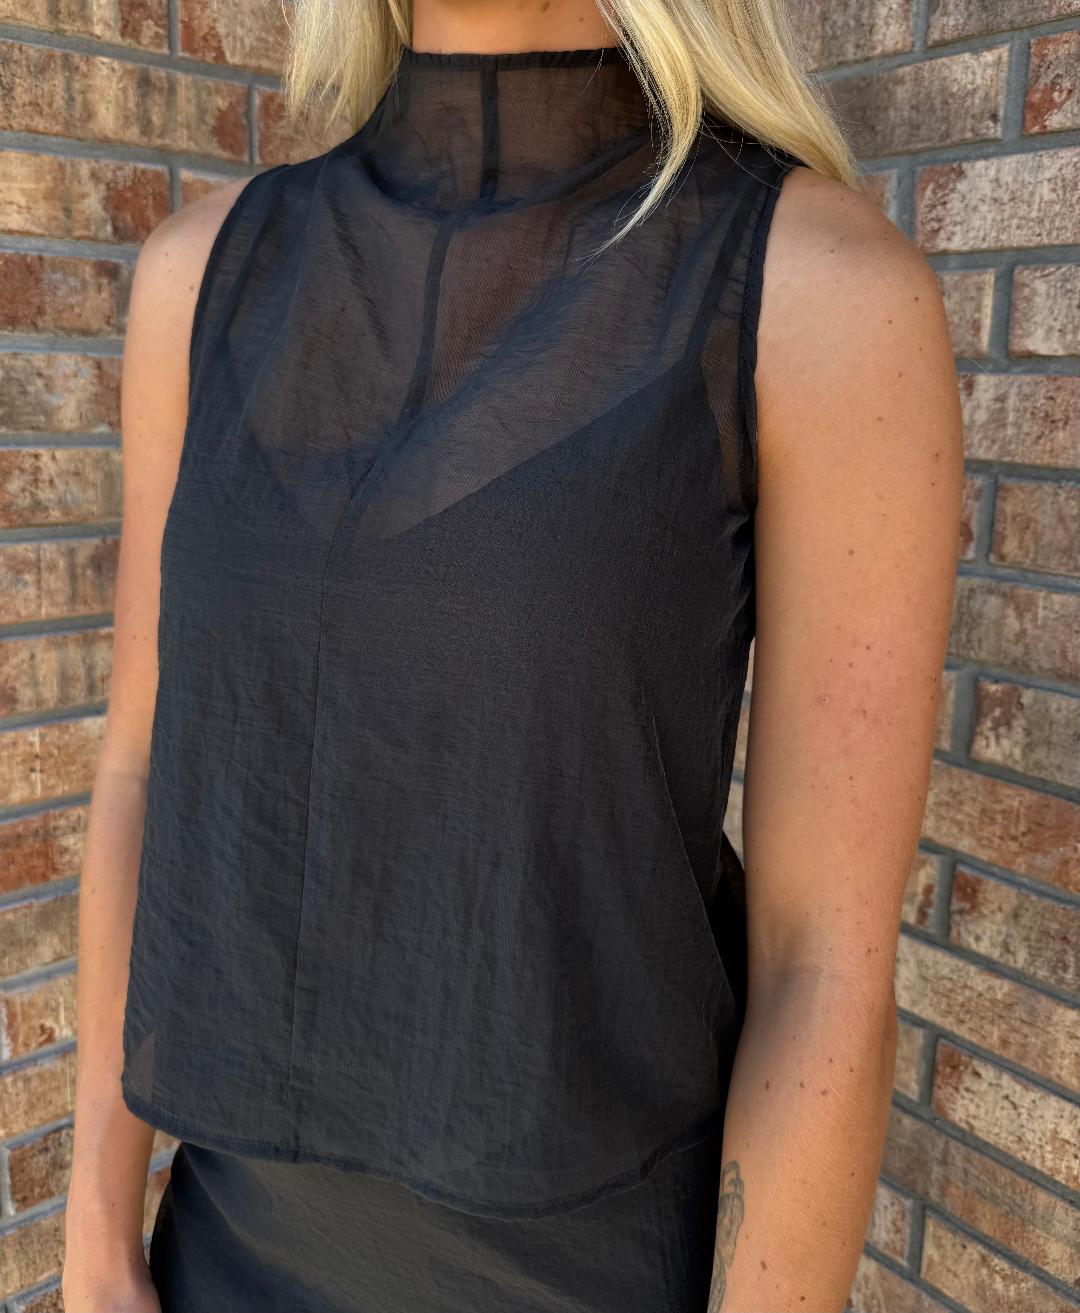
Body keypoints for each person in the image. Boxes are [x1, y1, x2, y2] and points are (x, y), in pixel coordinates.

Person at [60, 0, 963, 1307]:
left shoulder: (819, 294)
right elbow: (145, 767)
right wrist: (95, 1239)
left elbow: (821, 959)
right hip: (223, 1254)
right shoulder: (200, 278)